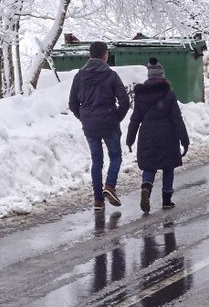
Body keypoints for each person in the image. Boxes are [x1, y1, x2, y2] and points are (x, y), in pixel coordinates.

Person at [67, 40, 130, 211]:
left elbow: (72, 103)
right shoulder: (111, 75)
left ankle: (98, 201)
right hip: (109, 120)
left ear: (89, 56)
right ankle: (109, 186)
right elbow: (125, 101)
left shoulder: (79, 76)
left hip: (90, 125)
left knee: (96, 161)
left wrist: (84, 117)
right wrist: (117, 117)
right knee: (115, 156)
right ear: (106, 56)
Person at [126, 57, 190, 213]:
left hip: (147, 136)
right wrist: (184, 140)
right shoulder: (168, 95)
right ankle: (167, 200)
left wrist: (130, 139)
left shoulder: (140, 95)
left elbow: (135, 119)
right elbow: (177, 118)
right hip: (167, 135)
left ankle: (146, 187)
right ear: (162, 76)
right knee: (168, 167)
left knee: (149, 166)